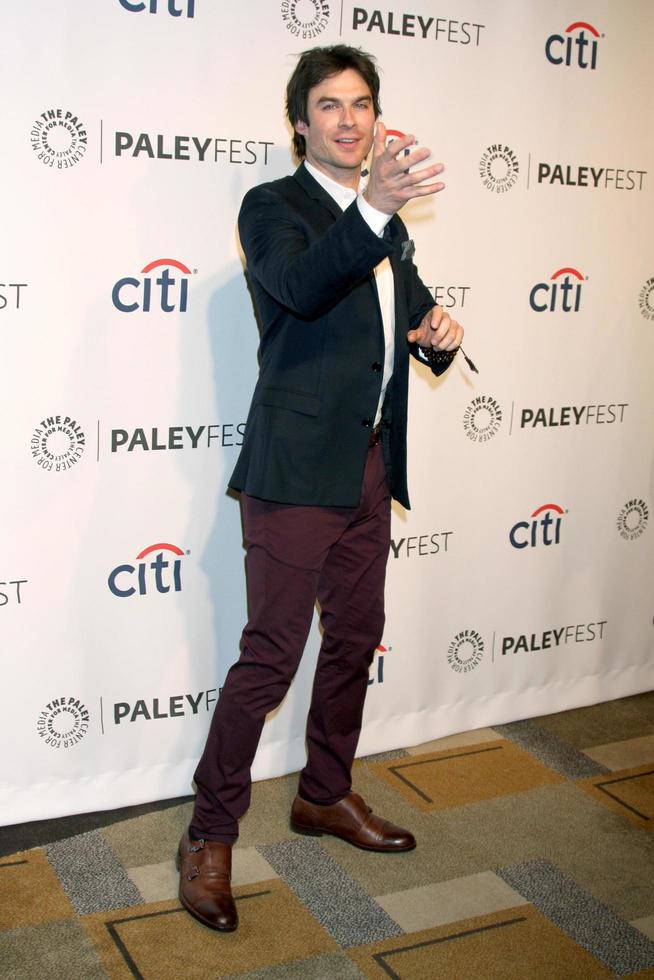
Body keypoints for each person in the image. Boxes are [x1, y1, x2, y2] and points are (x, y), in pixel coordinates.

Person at [177, 44, 464, 932]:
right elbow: (300, 290)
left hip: (370, 464)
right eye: (329, 105)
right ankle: (209, 834)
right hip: (297, 471)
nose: (349, 120)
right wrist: (375, 207)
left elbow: (398, 314)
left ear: (378, 116)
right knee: (270, 654)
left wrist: (435, 334)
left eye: (363, 103)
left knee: (356, 638)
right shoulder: (274, 207)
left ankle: (325, 794)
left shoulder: (391, 223)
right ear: (299, 122)